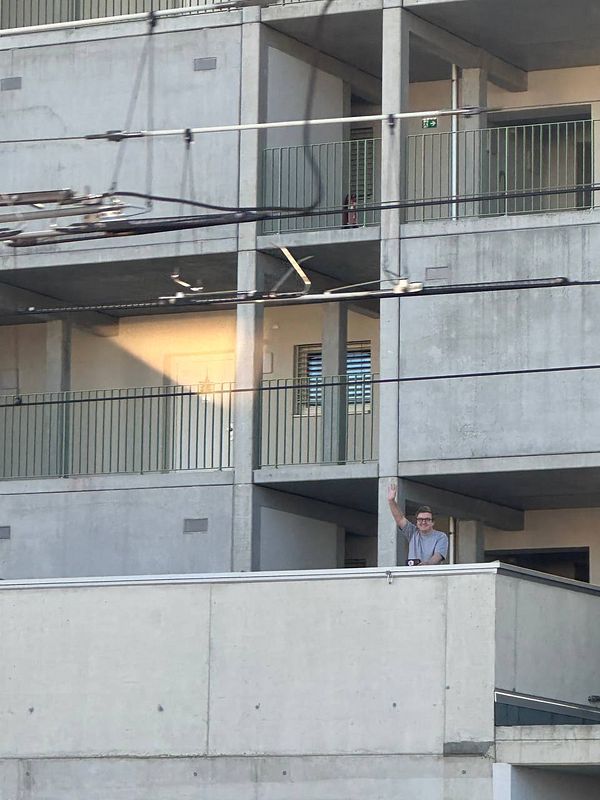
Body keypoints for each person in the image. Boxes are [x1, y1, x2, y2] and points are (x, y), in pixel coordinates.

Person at [387, 482, 448, 566]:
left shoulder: (441, 536)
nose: (423, 522)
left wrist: (426, 564)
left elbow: (438, 556)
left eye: (427, 519)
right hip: (413, 575)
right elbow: (400, 518)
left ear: (433, 522)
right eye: (420, 519)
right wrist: (391, 501)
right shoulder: (413, 532)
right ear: (416, 521)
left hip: (432, 575)